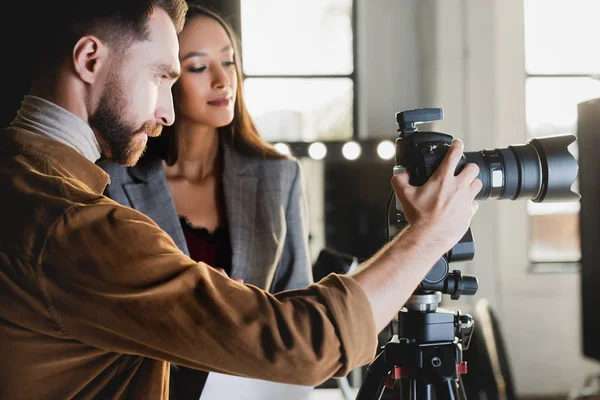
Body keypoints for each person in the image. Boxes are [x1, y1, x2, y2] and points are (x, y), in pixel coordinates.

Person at [0, 1, 482, 399]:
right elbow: (308, 343)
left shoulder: (19, 179)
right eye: (161, 77)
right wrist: (426, 236)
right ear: (89, 60)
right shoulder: (80, 228)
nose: (166, 113)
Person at [97, 4, 314, 399]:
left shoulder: (280, 176)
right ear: (164, 77)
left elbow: (297, 307)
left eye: (229, 62)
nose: (222, 80)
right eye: (198, 67)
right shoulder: (113, 179)